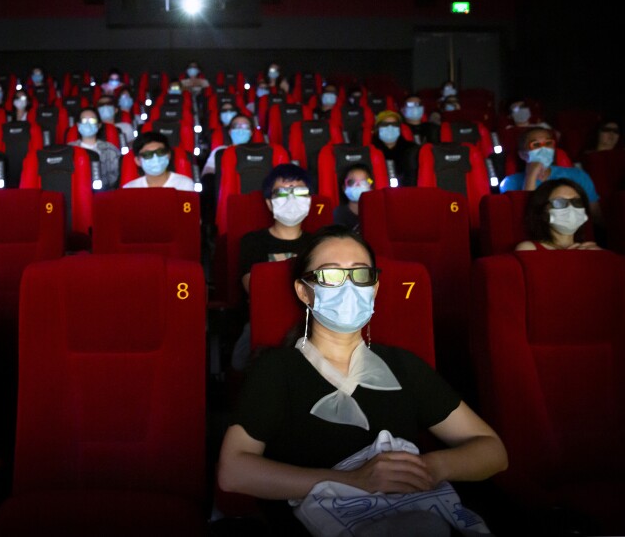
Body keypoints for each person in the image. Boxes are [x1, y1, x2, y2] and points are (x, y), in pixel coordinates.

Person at [217, 224, 508, 534]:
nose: (348, 286)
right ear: (304, 291)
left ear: (375, 287)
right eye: (330, 275)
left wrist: (429, 468)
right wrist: (354, 481)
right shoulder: (277, 369)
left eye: (360, 274)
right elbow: (233, 471)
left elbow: (493, 451)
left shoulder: (402, 365)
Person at [231, 164, 315, 372]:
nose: (292, 198)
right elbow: (256, 289)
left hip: (312, 323)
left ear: (310, 200)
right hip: (265, 320)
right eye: (283, 192)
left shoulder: (319, 244)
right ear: (269, 203)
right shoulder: (253, 242)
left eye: (299, 192)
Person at [500, 126, 601, 225]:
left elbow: (595, 215)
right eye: (535, 145)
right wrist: (531, 176)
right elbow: (524, 219)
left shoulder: (578, 175)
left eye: (548, 143)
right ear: (523, 155)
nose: (544, 149)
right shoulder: (510, 182)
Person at [514, 178, 602, 251]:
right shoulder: (529, 249)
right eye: (560, 202)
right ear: (543, 212)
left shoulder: (591, 249)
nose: (571, 208)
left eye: (577, 202)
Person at [68, 106, 121, 190]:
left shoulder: (111, 149)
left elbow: (115, 177)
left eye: (92, 120)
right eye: (83, 121)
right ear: (78, 125)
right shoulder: (69, 150)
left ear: (99, 125)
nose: (87, 124)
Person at [122, 131, 195, 191]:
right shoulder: (129, 189)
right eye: (148, 154)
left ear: (168, 155)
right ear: (137, 161)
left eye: (160, 152)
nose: (155, 158)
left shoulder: (185, 185)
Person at [370, 110, 420, 187]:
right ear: (377, 129)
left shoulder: (412, 150)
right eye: (385, 124)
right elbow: (367, 179)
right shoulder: (370, 151)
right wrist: (370, 182)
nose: (390, 127)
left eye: (394, 124)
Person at [202, 113, 255, 177]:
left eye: (245, 126)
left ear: (251, 132)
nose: (240, 130)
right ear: (230, 132)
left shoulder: (258, 152)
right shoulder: (219, 151)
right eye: (236, 126)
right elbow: (207, 174)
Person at [332, 163, 373, 233]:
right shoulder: (337, 215)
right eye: (351, 182)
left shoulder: (378, 214)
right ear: (344, 188)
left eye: (364, 182)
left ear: (371, 187)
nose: (358, 186)